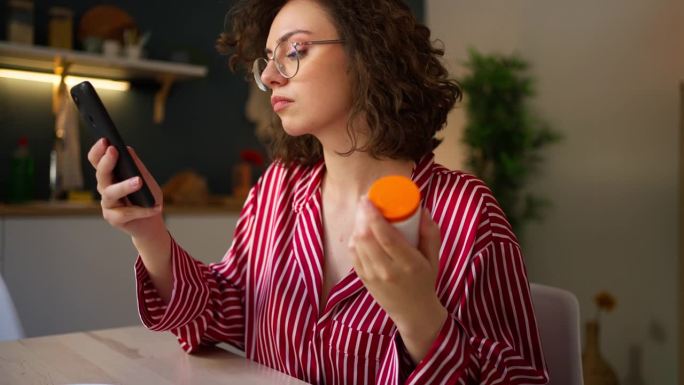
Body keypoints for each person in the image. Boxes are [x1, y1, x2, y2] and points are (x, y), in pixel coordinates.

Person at [87, 0, 549, 384]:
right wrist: (149, 233)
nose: (269, 76)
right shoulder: (277, 191)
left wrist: (421, 318)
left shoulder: (467, 214)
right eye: (266, 60)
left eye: (295, 50)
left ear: (370, 54)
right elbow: (224, 308)